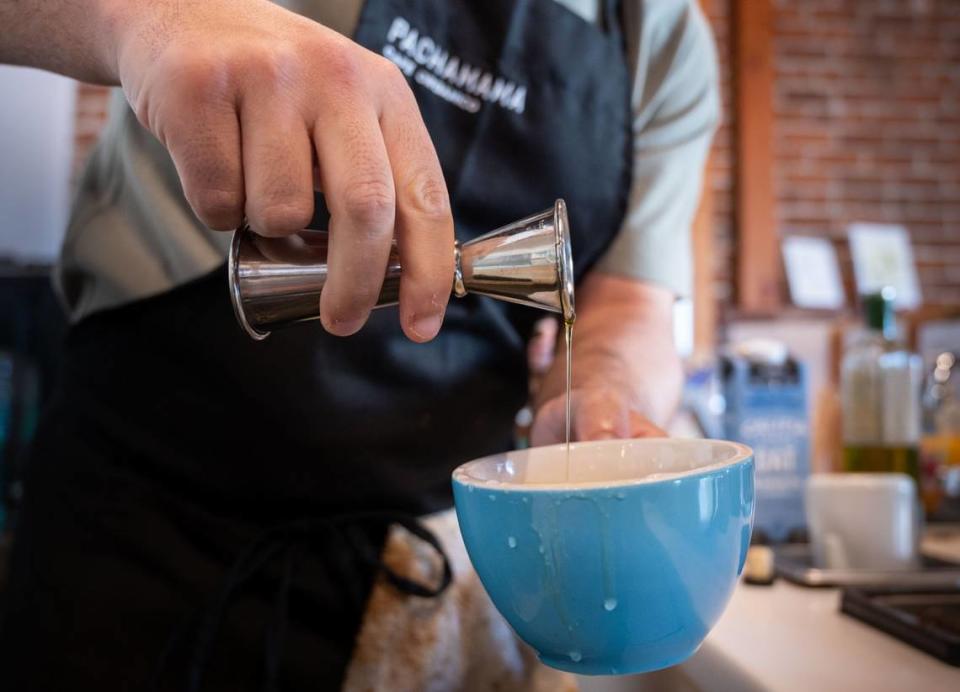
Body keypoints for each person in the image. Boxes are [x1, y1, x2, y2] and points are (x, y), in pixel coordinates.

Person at [0, 0, 719, 689]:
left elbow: (629, 302)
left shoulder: (660, 38)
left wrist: (602, 400)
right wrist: (141, 16)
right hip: (146, 527)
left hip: (426, 573)